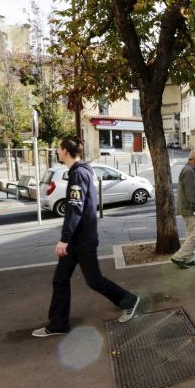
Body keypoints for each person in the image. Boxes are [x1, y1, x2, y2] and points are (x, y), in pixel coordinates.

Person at [33, 137, 139, 337]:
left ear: (65, 151)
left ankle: (129, 301)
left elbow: (75, 207)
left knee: (94, 280)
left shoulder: (79, 174)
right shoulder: (80, 171)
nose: (56, 151)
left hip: (81, 240)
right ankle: (58, 324)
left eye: (58, 148)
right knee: (60, 280)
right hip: (78, 238)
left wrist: (65, 238)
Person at [170, 150, 195, 269]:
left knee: (191, 234)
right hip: (192, 210)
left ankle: (188, 258)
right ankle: (179, 257)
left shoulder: (191, 170)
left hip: (190, 209)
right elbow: (191, 192)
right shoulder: (189, 171)